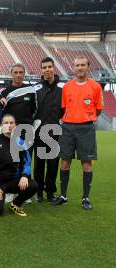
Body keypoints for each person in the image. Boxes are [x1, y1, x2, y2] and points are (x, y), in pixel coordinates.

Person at [52, 56, 103, 210]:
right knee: (65, 161)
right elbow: (64, 107)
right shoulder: (67, 87)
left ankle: (85, 198)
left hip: (86, 128)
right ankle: (63, 196)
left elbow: (98, 109)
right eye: (77, 65)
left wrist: (86, 118)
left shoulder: (95, 87)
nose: (80, 67)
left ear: (88, 67)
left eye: (82, 65)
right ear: (73, 68)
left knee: (86, 163)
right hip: (67, 127)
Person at [0, 114, 38, 217]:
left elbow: (27, 162)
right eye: (6, 123)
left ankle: (15, 203)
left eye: (11, 123)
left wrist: (24, 176)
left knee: (33, 185)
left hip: (13, 181)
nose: (8, 125)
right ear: (1, 125)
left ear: (15, 125)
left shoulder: (20, 142)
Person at [0, 64, 37, 203]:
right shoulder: (5, 91)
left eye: (21, 72)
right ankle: (10, 191)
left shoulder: (31, 90)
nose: (18, 74)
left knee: (26, 159)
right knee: (10, 160)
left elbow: (35, 109)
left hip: (27, 130)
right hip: (10, 130)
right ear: (11, 74)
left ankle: (25, 189)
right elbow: (3, 111)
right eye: (15, 72)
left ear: (24, 74)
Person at [33, 57, 64, 203]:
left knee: (53, 165)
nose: (47, 70)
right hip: (40, 132)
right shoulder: (36, 88)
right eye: (44, 67)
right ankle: (38, 191)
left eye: (49, 67)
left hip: (55, 131)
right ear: (41, 70)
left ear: (54, 68)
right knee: (39, 165)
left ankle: (50, 192)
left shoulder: (63, 88)